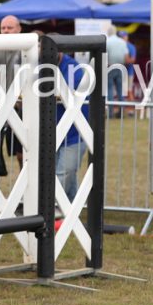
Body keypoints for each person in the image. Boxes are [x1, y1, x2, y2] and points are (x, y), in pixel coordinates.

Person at [55, 49, 89, 203]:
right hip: (53, 131)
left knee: (65, 172)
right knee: (67, 173)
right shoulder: (39, 66)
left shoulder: (73, 68)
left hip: (74, 132)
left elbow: (68, 94)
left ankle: (51, 207)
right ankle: (71, 208)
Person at [0, 15, 24, 168]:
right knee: (17, 152)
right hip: (6, 105)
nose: (5, 31)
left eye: (9, 28)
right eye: (3, 28)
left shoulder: (27, 48)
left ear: (19, 29)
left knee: (27, 148)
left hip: (26, 105)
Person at [105, 27, 130, 117]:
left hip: (110, 67)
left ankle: (110, 114)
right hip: (121, 67)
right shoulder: (122, 42)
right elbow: (126, 57)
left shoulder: (107, 42)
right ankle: (121, 113)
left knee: (110, 90)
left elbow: (105, 56)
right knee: (120, 91)